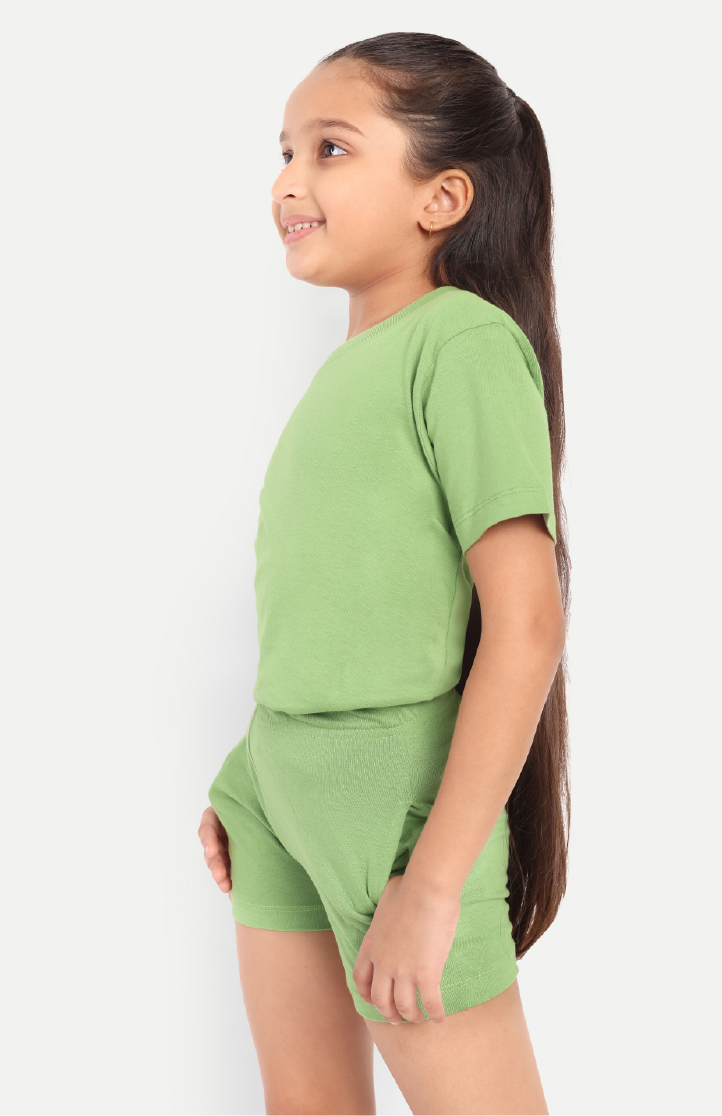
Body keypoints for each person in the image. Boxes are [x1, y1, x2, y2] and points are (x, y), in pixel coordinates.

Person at [197, 31, 570, 1116]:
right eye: (284, 152)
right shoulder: (352, 367)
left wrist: (436, 882)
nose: (288, 181)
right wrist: (255, 771)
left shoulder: (463, 344)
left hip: (391, 806)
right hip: (277, 784)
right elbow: (337, 604)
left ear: (441, 198)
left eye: (330, 149)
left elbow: (527, 623)